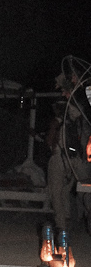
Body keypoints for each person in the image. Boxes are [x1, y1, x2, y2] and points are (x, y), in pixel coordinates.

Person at [47, 75, 91, 234]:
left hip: (62, 159)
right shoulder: (79, 119)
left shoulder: (63, 120)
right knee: (73, 191)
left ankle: (62, 223)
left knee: (57, 192)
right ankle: (68, 219)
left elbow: (50, 141)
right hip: (76, 160)